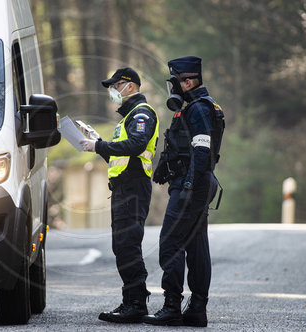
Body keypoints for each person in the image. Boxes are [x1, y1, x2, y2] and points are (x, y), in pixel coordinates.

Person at [143, 56, 225, 327]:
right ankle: (197, 310)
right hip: (197, 183)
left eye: (175, 82)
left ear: (187, 82)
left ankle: (172, 307)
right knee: (196, 245)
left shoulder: (199, 109)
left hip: (193, 186)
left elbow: (202, 152)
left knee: (170, 242)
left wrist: (188, 186)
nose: (173, 88)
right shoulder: (199, 107)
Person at [80, 67, 159, 323]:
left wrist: (100, 145)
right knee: (122, 245)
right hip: (124, 187)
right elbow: (120, 155)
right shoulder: (126, 119)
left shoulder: (142, 114)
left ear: (130, 86)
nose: (112, 91)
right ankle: (132, 300)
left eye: (115, 85)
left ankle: (135, 303)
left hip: (134, 187)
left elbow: (136, 146)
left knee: (127, 244)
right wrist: (98, 143)